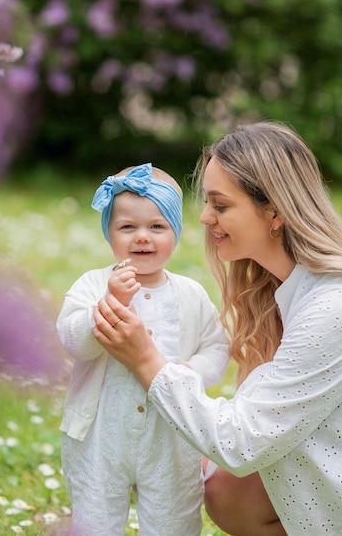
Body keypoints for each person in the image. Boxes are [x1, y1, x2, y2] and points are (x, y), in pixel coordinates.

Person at [93, 122, 342, 536]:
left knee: (230, 467)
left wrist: (145, 359)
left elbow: (241, 441)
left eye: (221, 205)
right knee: (227, 490)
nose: (205, 217)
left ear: (275, 212)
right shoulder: (283, 292)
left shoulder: (331, 306)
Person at [56, 162, 230, 536]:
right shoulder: (93, 285)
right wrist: (109, 301)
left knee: (174, 520)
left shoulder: (191, 295)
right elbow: (74, 341)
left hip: (171, 438)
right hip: (100, 437)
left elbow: (216, 349)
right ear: (109, 234)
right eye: (127, 227)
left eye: (156, 227)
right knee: (95, 518)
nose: (142, 237)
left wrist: (189, 372)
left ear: (175, 233)